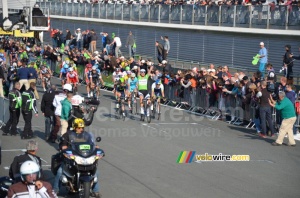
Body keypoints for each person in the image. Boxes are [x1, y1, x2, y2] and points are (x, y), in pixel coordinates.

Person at [53, 118, 101, 197]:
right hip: (71, 158)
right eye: (79, 127)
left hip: (83, 157)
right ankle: (55, 189)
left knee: (95, 172)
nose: (80, 129)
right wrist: (63, 146)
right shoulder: (68, 134)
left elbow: (91, 143)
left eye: (82, 128)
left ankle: (96, 190)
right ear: (74, 127)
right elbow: (62, 143)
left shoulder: (86, 135)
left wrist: (95, 146)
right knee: (60, 171)